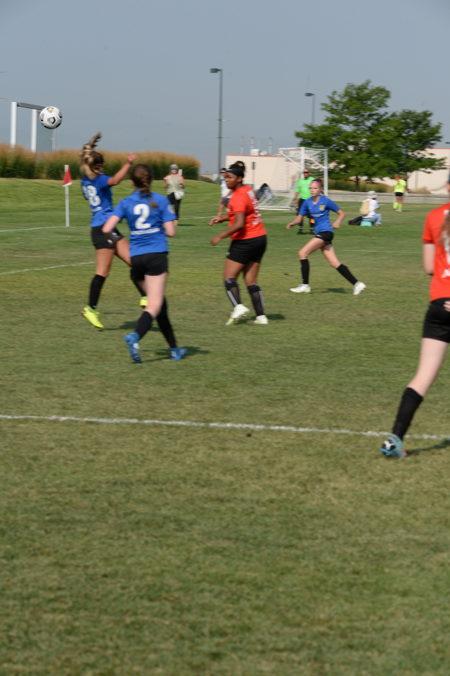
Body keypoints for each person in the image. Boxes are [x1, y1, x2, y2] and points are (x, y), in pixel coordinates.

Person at [379, 178, 450, 458]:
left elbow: (428, 267)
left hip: (439, 304)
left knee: (422, 377)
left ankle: (394, 439)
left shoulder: (433, 217)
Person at [102, 163, 187, 363]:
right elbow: (171, 232)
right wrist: (156, 227)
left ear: (132, 182)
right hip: (156, 256)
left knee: (160, 305)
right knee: (154, 304)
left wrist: (119, 239)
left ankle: (174, 349)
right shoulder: (160, 200)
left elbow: (106, 228)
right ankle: (136, 336)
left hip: (136, 259)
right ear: (151, 180)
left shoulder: (125, 202)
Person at [80, 132, 144, 329]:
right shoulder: (98, 180)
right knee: (102, 272)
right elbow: (115, 180)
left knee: (135, 261)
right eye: (102, 164)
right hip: (102, 230)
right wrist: (128, 164)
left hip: (108, 227)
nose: (104, 167)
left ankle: (146, 298)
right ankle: (90, 309)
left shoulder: (85, 180)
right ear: (98, 166)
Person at [209, 161, 269, 325]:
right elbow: (244, 213)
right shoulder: (248, 190)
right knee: (251, 280)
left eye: (230, 177)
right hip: (260, 238)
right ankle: (261, 317)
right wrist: (223, 219)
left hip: (245, 240)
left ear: (239, 178)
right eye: (225, 178)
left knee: (229, 278)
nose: (227, 180)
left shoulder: (238, 196)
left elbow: (240, 223)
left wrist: (220, 236)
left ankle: (238, 306)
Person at [286, 178, 366, 295]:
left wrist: (338, 221)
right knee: (334, 263)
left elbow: (341, 213)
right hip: (321, 234)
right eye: (310, 188)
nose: (312, 190)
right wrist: (292, 223)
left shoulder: (326, 201)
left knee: (302, 253)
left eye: (315, 188)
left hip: (326, 233)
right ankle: (357, 284)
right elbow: (299, 218)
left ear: (320, 189)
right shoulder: (307, 202)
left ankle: (305, 285)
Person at [291, 168, 315, 234]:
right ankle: (300, 229)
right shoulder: (300, 181)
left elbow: (317, 188)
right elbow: (297, 191)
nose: (305, 173)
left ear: (309, 173)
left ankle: (312, 229)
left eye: (306, 172)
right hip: (302, 200)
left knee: (312, 216)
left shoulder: (313, 180)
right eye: (304, 172)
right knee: (300, 215)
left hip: (311, 200)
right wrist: (294, 200)